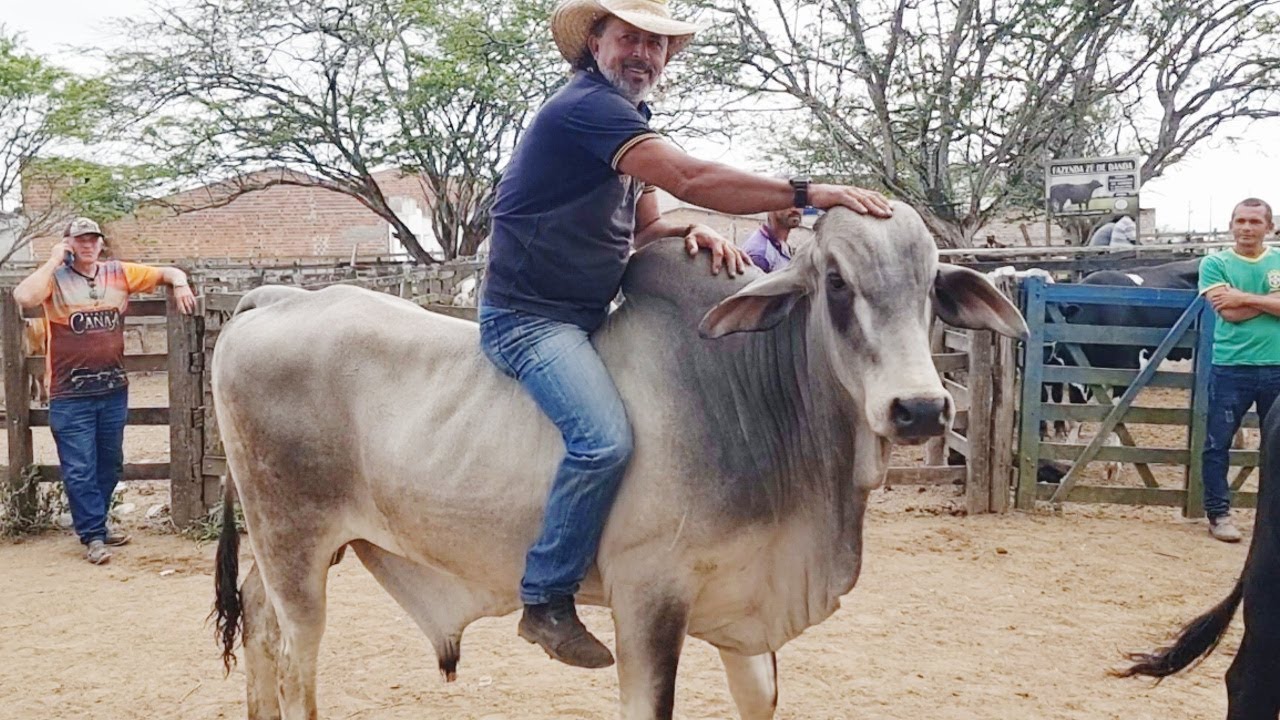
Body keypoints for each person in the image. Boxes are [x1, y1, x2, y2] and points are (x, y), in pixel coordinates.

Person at [479, 0, 894, 669]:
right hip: (531, 320)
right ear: (596, 43)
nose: (642, 52)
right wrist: (813, 192)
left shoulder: (623, 122)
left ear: (667, 58)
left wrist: (682, 227)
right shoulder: (586, 109)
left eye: (655, 42)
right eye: (628, 38)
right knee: (603, 441)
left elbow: (650, 210)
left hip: (589, 314)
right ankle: (546, 597)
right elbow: (690, 177)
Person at [12, 218, 197, 564]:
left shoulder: (119, 272)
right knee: (79, 467)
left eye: (93, 239)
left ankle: (96, 523)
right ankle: (93, 535)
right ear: (68, 243)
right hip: (69, 393)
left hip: (113, 389)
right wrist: (53, 260)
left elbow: (166, 272)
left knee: (110, 465)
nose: (87, 245)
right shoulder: (54, 278)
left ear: (100, 243)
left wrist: (182, 283)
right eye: (80, 239)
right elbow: (23, 296)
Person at [1198, 198, 1280, 542]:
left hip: (1277, 365)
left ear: (1269, 227)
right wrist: (1270, 302)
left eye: (1255, 222)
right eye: (1241, 221)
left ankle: (1270, 519)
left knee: (1276, 445)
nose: (1247, 228)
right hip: (1231, 367)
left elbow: (1235, 305)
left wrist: (1242, 298)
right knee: (1218, 443)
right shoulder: (1215, 262)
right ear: (1231, 225)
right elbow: (1226, 313)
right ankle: (1219, 514)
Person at [742, 207, 802, 272]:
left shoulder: (782, 245)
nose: (795, 209)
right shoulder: (760, 255)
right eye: (788, 203)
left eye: (800, 202)